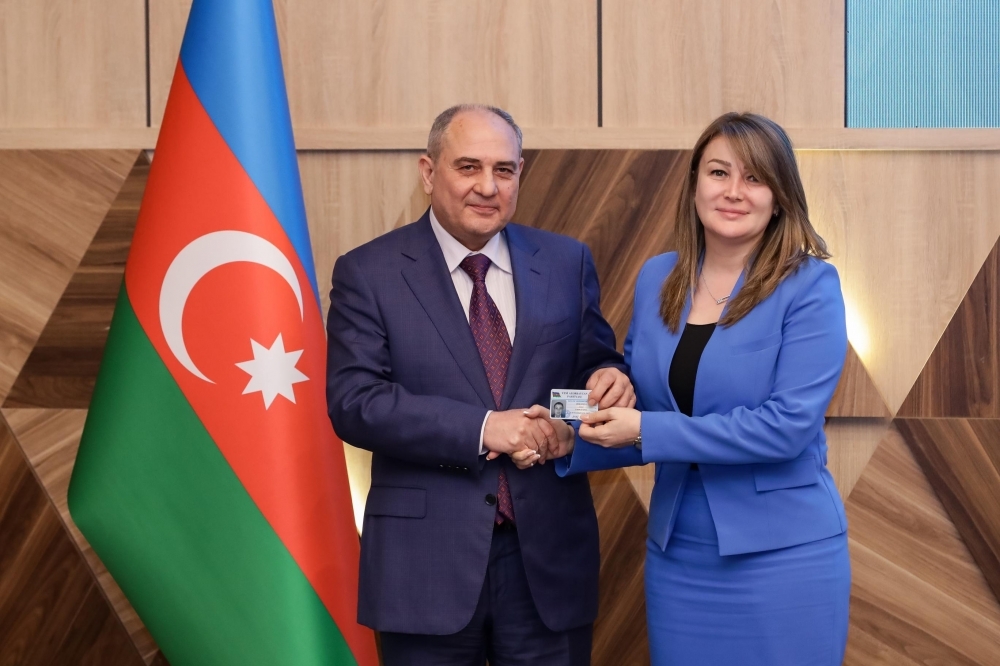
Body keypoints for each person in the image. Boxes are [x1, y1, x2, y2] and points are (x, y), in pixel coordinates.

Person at [326, 103, 633, 666]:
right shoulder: (368, 272)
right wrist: (486, 428)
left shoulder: (566, 262)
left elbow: (589, 372)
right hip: (425, 567)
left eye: (504, 170)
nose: (488, 186)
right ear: (428, 173)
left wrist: (604, 385)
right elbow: (355, 402)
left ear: (520, 174)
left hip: (547, 563)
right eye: (468, 167)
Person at [548, 112, 851, 665]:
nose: (734, 191)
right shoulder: (657, 278)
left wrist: (643, 426)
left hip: (784, 556)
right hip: (678, 554)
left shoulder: (810, 285)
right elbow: (644, 405)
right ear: (694, 186)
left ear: (779, 197)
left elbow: (786, 428)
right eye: (718, 172)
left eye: (754, 177)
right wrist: (567, 427)